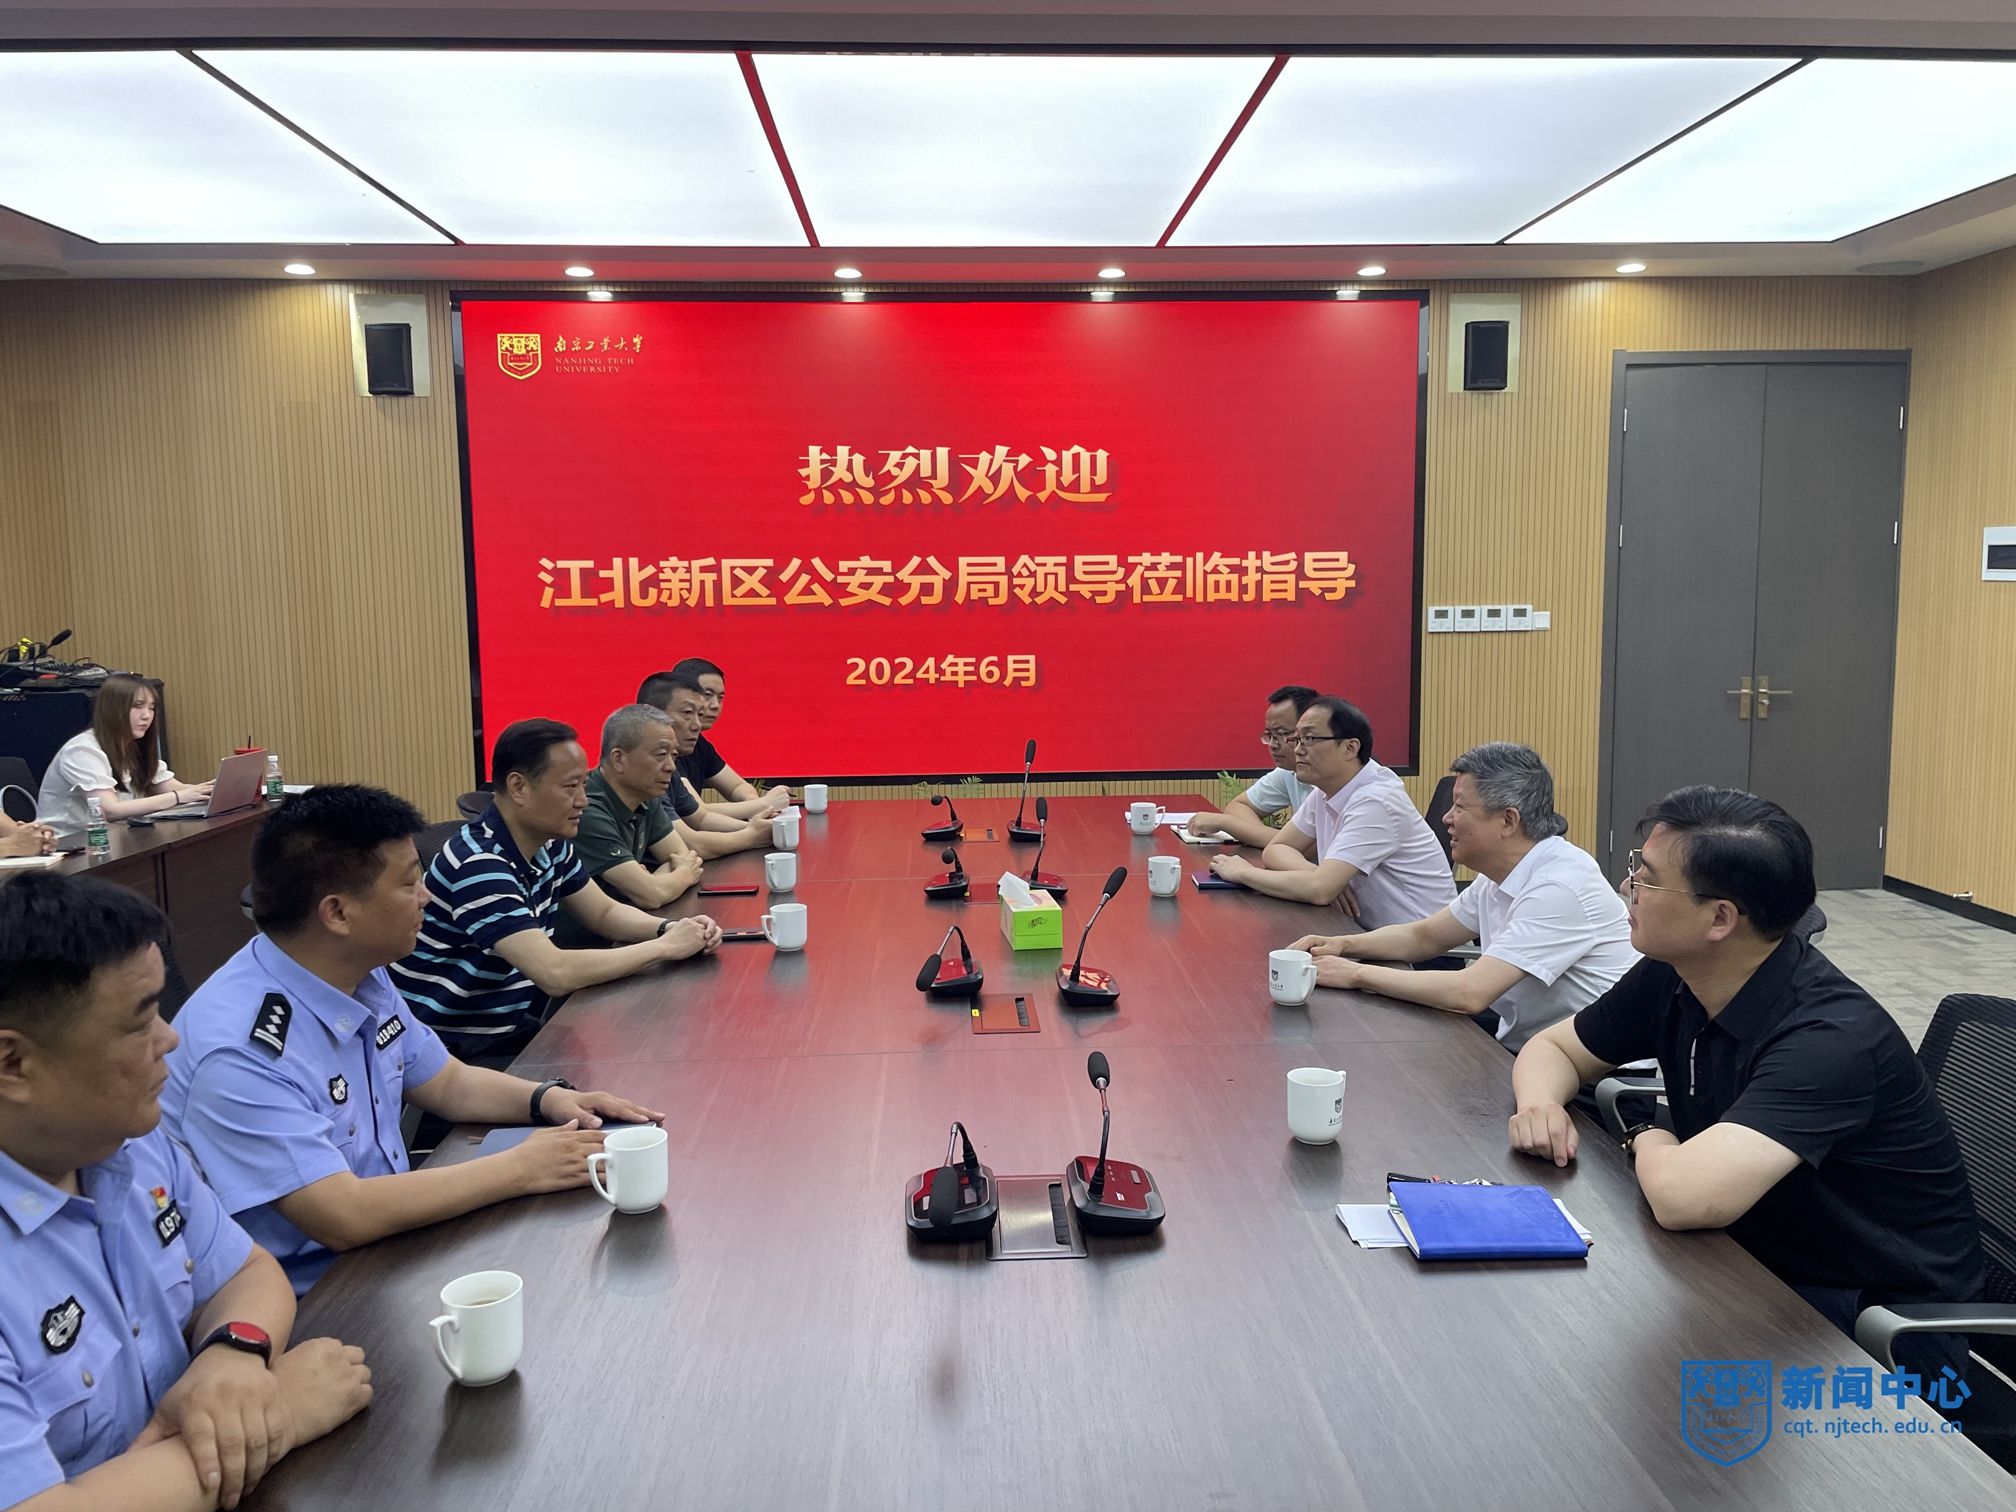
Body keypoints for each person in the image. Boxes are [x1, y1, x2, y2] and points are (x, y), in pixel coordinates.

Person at [1508, 786, 1983, 1393]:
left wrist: (1645, 1133)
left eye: (1648, 879)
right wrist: (1540, 1104)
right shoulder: (1677, 972)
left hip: (1879, 1332)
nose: (1628, 888)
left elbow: (1684, 1197)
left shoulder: (1830, 1039)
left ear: (1720, 919)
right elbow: (1554, 1048)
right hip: (1759, 1263)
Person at [161, 785, 664, 1296]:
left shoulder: (359, 970)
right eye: (409, 884)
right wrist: (522, 1167)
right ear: (337, 914)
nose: (426, 897)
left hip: (393, 1250)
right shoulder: (240, 1049)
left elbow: (445, 1082)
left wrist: (549, 1100)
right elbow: (343, 1215)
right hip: (314, 1299)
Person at [0, 873, 372, 1512]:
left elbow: (246, 1270)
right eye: (139, 1021)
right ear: (13, 1063)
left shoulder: (127, 1144)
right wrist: (278, 1414)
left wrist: (234, 1354)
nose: (170, 1038)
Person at [389, 720, 721, 1061]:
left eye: (583, 786)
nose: (583, 801)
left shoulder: (549, 843)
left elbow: (604, 913)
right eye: (570, 787)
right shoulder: (479, 864)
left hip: (510, 1029)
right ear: (518, 787)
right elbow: (554, 972)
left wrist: (670, 928)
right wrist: (665, 947)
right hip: (452, 1050)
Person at [1288, 743, 1637, 1051]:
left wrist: (1354, 974)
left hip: (1594, 1076)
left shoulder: (1558, 886)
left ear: (1508, 820)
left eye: (1459, 807)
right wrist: (1342, 945)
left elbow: (1470, 992)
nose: (1447, 818)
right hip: (1533, 1050)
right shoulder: (1502, 873)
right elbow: (1423, 936)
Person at [1207, 696, 1453, 928]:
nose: (1298, 750)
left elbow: (1319, 891)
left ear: (1350, 748)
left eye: (1310, 739)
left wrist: (1243, 873)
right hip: (1362, 931)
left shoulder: (1376, 801)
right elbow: (1276, 850)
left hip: (1420, 947)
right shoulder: (1326, 790)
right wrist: (1318, 875)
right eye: (1297, 740)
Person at [553, 706, 705, 948]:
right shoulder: (586, 808)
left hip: (624, 933)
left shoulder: (646, 794)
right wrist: (679, 876)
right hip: (584, 947)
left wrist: (653, 882)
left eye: (673, 755)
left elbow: (682, 856)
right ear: (618, 759)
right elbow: (651, 895)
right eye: (660, 755)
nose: (671, 767)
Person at [34, 676, 212, 835]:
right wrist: (179, 797)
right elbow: (110, 810)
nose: (147, 716)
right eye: (138, 706)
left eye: (151, 708)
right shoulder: (82, 750)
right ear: (113, 709)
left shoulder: (133, 746)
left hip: (116, 839)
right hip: (68, 847)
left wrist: (214, 792)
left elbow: (178, 789)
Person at [635, 673, 775, 860]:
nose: (697, 725)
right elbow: (690, 845)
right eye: (687, 713)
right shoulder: (642, 774)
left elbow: (702, 818)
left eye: (699, 715)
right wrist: (752, 835)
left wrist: (757, 827)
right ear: (651, 715)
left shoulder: (668, 766)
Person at [652, 658, 793, 820]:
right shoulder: (661, 747)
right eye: (707, 695)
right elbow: (697, 813)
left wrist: (756, 806)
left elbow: (736, 787)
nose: (715, 705)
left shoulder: (698, 742)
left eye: (720, 697)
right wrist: (764, 805)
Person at [1186, 685, 1320, 847]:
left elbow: (1306, 847)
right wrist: (1261, 835)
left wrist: (1224, 823)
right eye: (1269, 735)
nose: (1273, 745)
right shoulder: (1288, 771)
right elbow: (1238, 806)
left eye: (1282, 734)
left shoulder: (1328, 780)